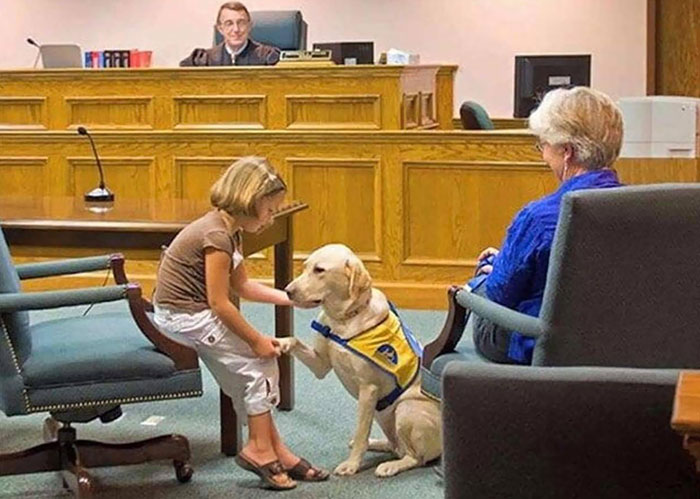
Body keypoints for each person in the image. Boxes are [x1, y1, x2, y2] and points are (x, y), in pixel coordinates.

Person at [153, 157, 328, 490]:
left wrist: (292, 299)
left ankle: (275, 450)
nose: (272, 217)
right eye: (270, 209)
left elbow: (243, 287)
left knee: (248, 375)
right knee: (261, 364)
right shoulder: (216, 237)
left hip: (191, 313)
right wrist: (256, 339)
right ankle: (260, 450)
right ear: (250, 200)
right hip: (184, 317)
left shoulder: (229, 231)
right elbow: (220, 303)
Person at [466, 86, 624, 365]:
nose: (543, 155)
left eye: (544, 145)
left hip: (542, 344)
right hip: (615, 340)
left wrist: (491, 272)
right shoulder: (640, 207)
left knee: (479, 285)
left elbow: (500, 295)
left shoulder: (538, 218)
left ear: (567, 152)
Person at [180, 2, 280, 67]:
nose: (236, 29)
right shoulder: (204, 60)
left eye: (241, 23)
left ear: (249, 26)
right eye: (229, 23)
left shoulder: (266, 57)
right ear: (220, 29)